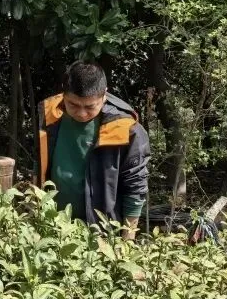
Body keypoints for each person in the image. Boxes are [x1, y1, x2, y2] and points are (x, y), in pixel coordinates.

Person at [36, 62, 149, 239]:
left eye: (90, 107)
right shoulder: (49, 116)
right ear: (63, 94)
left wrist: (126, 243)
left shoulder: (126, 129)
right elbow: (39, 168)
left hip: (103, 234)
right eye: (73, 104)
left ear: (104, 95)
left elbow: (135, 188)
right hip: (53, 226)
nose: (81, 113)